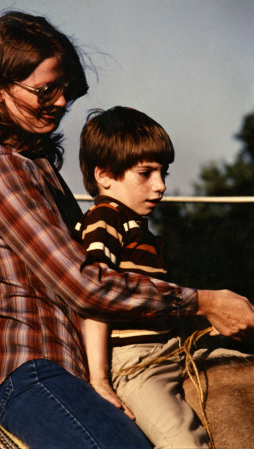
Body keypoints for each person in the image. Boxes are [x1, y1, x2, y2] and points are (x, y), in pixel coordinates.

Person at [0, 10, 254, 449]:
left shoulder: (38, 169)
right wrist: (201, 302)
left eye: (65, 91)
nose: (58, 102)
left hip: (75, 367)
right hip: (35, 368)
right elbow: (83, 283)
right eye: (44, 90)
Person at [75, 106, 210, 448]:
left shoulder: (137, 226)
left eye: (163, 172)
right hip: (135, 365)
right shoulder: (104, 219)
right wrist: (100, 377)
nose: (161, 186)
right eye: (146, 173)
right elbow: (95, 299)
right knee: (185, 443)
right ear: (104, 175)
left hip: (169, 351)